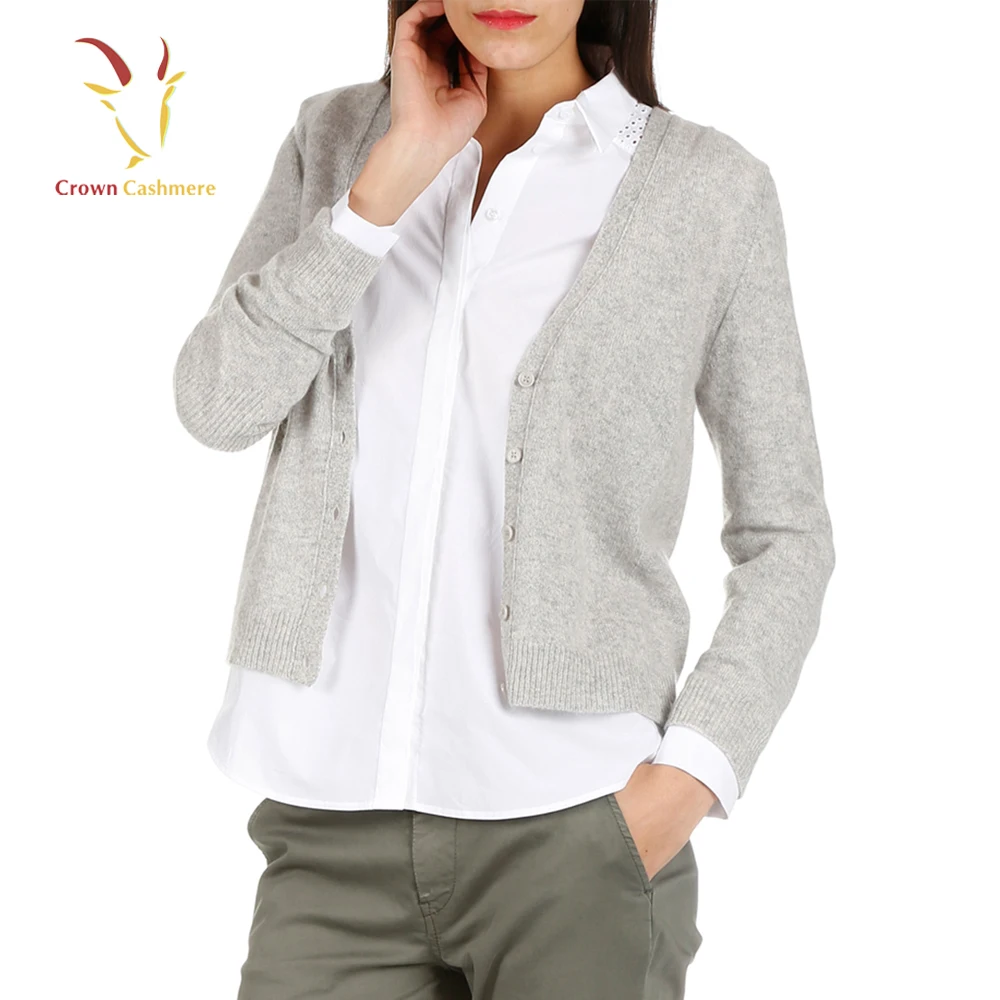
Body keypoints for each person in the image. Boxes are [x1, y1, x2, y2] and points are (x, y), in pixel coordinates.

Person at [172, 1, 836, 997]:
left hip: (578, 829)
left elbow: (788, 534)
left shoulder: (710, 190)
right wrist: (386, 183)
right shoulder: (334, 138)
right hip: (328, 830)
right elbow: (216, 406)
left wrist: (689, 776)